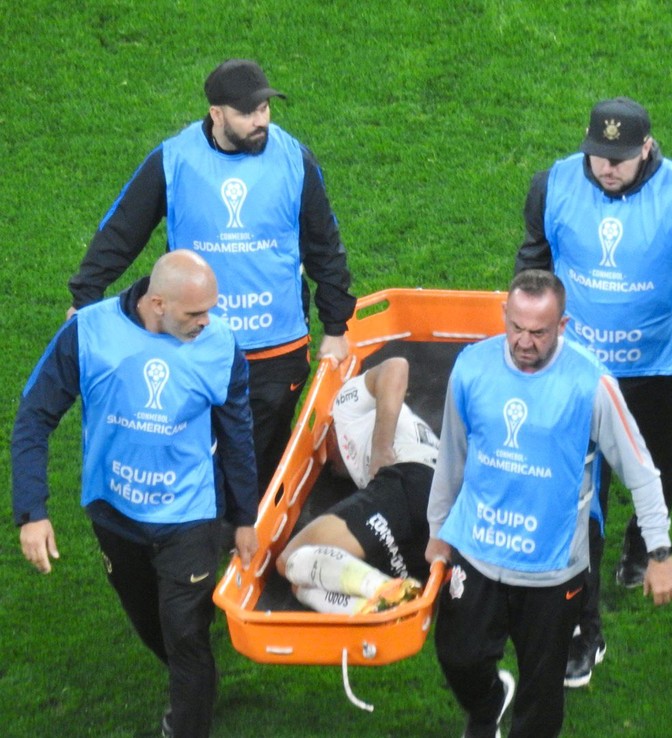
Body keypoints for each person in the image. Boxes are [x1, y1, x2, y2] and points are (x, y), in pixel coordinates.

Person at [515, 96, 672, 686]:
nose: (607, 168)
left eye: (621, 159)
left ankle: (640, 545)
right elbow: (533, 261)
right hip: (576, 370)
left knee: (653, 465)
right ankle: (585, 630)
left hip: (656, 369)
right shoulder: (551, 185)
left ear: (647, 148)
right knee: (581, 497)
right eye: (598, 156)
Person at [66, 58, 357, 493]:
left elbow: (324, 246)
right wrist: (85, 297)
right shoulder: (174, 160)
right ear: (216, 114)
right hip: (193, 343)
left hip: (275, 347)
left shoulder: (294, 159)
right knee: (190, 448)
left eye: (265, 109)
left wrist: (336, 326)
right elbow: (121, 231)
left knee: (261, 460)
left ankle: (244, 538)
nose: (261, 121)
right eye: (247, 113)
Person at [11, 250, 259, 738]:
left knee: (186, 636)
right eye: (194, 313)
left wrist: (245, 517)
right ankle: (198, 686)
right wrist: (32, 512)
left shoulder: (219, 343)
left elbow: (237, 432)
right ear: (157, 302)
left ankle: (187, 723)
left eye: (211, 309)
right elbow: (34, 416)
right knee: (154, 629)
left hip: (190, 515)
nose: (206, 322)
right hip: (114, 514)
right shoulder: (88, 334)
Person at [426, 270, 672, 738]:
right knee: (458, 655)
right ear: (504, 315)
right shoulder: (472, 367)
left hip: (552, 569)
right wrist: (438, 530)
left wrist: (659, 553)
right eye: (516, 327)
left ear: (562, 326)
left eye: (538, 332)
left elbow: (642, 471)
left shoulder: (590, 383)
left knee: (542, 696)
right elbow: (452, 455)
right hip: (477, 550)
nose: (524, 342)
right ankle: (487, 706)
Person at [275, 357, 439, 610]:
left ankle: (381, 590)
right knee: (305, 585)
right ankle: (381, 605)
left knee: (289, 560)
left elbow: (396, 367)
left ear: (327, 435)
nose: (329, 467)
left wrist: (381, 447)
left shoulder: (344, 411)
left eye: (326, 460)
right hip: (429, 516)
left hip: (410, 477)